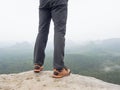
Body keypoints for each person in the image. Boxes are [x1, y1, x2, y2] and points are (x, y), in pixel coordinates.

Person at [33, 0, 71, 78]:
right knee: (59, 31)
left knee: (42, 31)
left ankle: (37, 64)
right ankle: (59, 69)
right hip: (59, 2)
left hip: (44, 2)